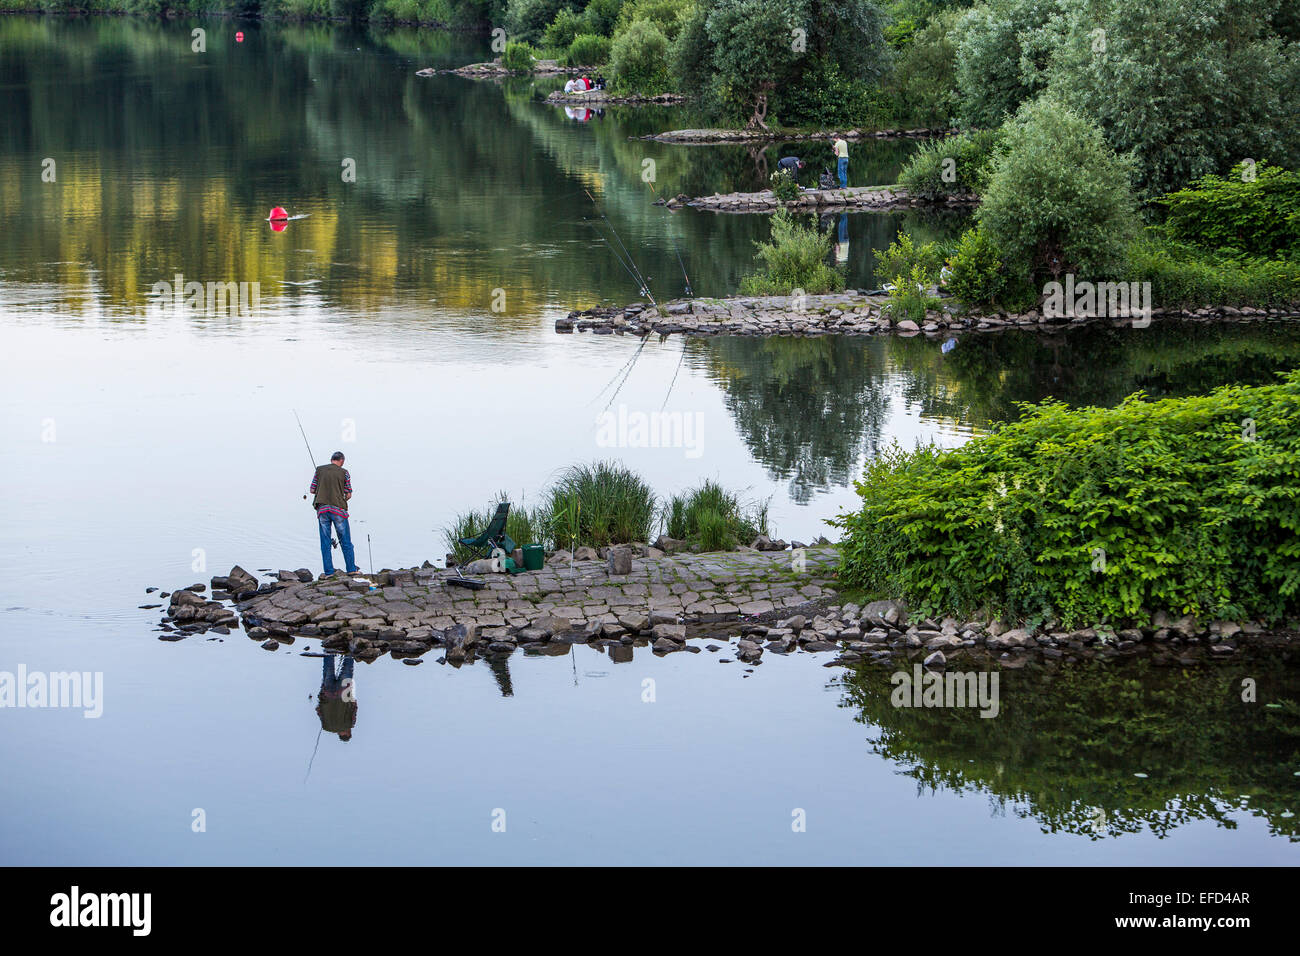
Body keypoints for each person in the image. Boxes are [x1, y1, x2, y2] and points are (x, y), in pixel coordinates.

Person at [310, 451, 359, 576]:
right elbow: (348, 493)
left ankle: (329, 572)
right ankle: (351, 569)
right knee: (345, 541)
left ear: (331, 459)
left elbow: (312, 490)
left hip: (322, 510)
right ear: (342, 461)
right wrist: (342, 499)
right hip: (338, 510)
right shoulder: (344, 473)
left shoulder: (319, 470)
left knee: (325, 542)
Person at [316, 654, 357, 742]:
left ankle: (350, 648)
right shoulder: (326, 726)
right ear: (339, 734)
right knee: (328, 668)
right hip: (328, 693)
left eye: (350, 732)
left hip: (343, 693)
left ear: (347, 733)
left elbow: (354, 708)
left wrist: (352, 698)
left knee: (348, 667)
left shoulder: (350, 724)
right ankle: (329, 648)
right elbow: (319, 711)